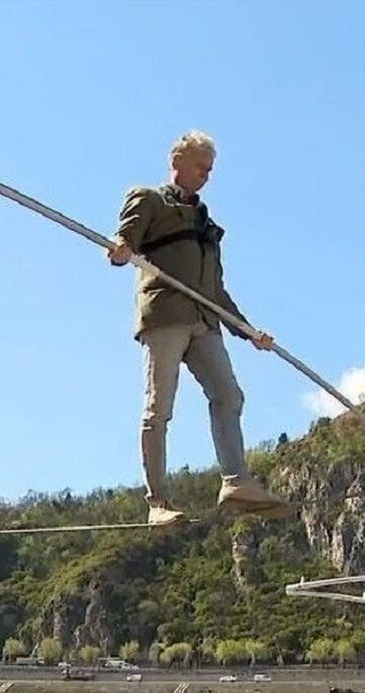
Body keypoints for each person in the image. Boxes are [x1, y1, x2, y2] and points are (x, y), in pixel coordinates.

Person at [104, 129, 290, 526]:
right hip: (166, 314)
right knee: (160, 409)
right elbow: (124, 244)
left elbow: (215, 291)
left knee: (229, 395)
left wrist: (248, 331)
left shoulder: (206, 224)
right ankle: (158, 502)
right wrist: (120, 250)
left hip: (204, 320)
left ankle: (236, 481)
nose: (207, 175)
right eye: (200, 167)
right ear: (177, 163)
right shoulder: (149, 199)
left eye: (210, 169)